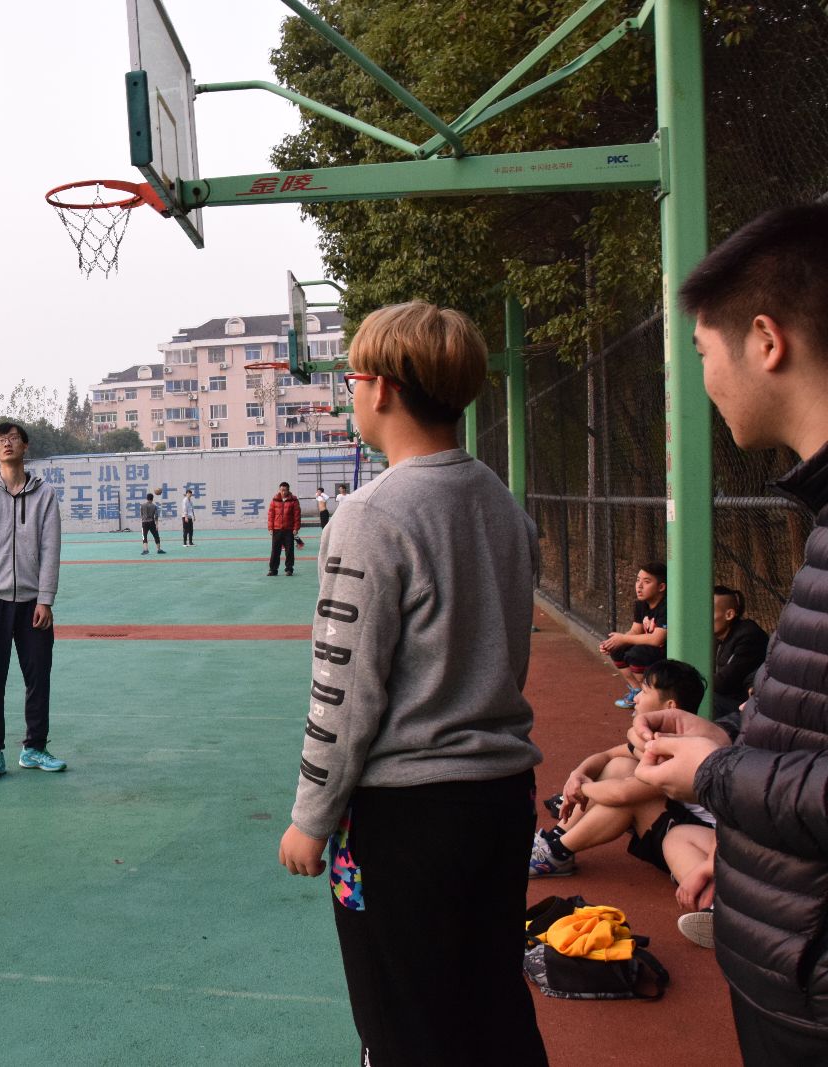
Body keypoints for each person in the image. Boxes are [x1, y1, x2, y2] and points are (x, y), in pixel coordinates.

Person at [277, 301, 548, 1067]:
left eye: (353, 378)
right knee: (492, 1008)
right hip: (502, 799)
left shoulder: (371, 516)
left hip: (405, 817)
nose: (351, 393)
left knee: (401, 1024)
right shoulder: (502, 504)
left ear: (385, 388)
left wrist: (311, 816)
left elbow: (344, 691)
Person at [634, 202, 828, 1063]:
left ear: (766, 340)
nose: (704, 379)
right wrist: (727, 752)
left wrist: (717, 774)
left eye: (702, 352)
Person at [529, 660, 715, 890]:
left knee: (628, 802)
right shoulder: (660, 737)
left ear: (670, 707)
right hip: (682, 826)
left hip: (699, 846)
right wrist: (577, 774)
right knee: (619, 765)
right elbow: (607, 755)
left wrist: (582, 788)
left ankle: (556, 854)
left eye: (644, 691)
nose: (636, 698)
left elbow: (622, 794)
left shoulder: (681, 752)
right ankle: (555, 839)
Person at [0, 421, 66, 781]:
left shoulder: (44, 494)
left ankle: (34, 748)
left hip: (33, 602)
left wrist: (46, 599)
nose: (7, 444)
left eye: (13, 439)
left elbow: (51, 548)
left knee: (38, 676)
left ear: (25, 446)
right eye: (0, 440)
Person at [599, 562, 668, 709]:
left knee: (636, 654)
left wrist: (623, 638)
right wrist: (613, 642)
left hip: (666, 652)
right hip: (650, 650)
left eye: (646, 582)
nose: (639, 586)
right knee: (617, 648)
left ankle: (650, 699)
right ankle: (637, 691)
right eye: (638, 580)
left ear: (661, 587)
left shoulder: (667, 607)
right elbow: (635, 631)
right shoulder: (641, 604)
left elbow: (657, 639)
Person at [712, 585, 767, 703]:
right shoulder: (717, 637)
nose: (701, 617)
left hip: (742, 704)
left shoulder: (749, 636)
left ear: (729, 615)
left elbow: (724, 682)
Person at [265, 481, 303, 576]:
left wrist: (296, 528)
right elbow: (271, 515)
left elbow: (297, 515)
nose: (283, 492)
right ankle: (273, 570)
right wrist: (270, 528)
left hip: (289, 530)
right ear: (279, 490)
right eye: (281, 490)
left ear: (288, 490)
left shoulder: (294, 500)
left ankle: (289, 569)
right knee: (275, 551)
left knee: (289, 550)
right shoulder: (274, 500)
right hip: (276, 529)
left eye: (285, 490)